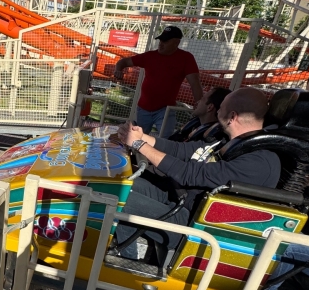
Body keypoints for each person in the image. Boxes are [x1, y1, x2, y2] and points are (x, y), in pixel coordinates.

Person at [111, 88, 281, 258]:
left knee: (115, 196)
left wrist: (139, 145)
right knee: (116, 185)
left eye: (221, 108)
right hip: (179, 198)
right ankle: (123, 255)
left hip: (193, 225)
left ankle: (121, 261)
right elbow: (182, 150)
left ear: (232, 117)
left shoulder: (258, 162)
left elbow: (189, 173)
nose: (218, 111)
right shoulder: (227, 141)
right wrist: (141, 137)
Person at [113, 25, 203, 138]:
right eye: (160, 40)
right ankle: (134, 155)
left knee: (166, 140)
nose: (161, 43)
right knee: (136, 139)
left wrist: (200, 105)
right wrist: (118, 70)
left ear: (176, 42)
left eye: (165, 41)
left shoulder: (186, 58)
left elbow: (195, 83)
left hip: (166, 110)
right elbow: (123, 62)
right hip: (143, 109)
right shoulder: (150, 56)